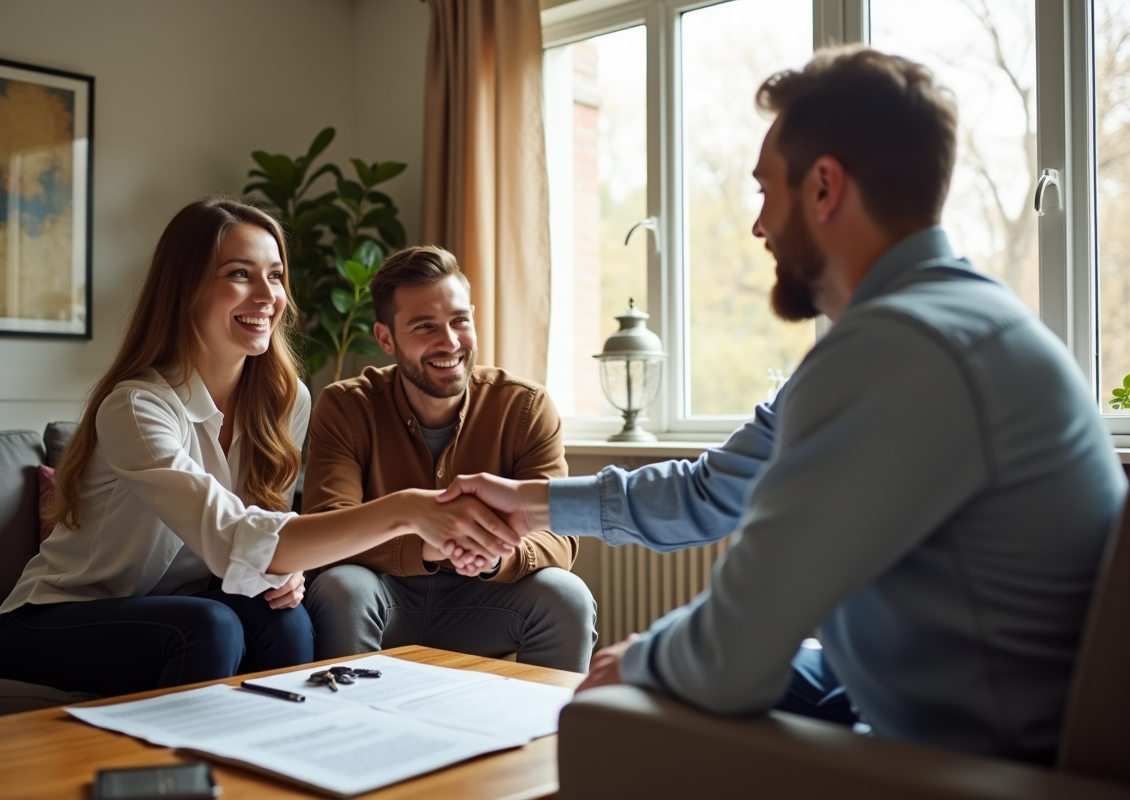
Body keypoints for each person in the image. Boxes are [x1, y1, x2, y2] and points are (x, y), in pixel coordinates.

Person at [438, 46, 1127, 763]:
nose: (759, 225)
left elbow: (731, 658)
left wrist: (643, 657)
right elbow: (713, 490)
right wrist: (531, 504)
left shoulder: (894, 348)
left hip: (978, 763)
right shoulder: (939, 322)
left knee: (619, 701)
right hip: (926, 692)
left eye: (766, 190)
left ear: (825, 186)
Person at [0, 200, 520, 697]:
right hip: (56, 617)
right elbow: (235, 537)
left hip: (187, 601)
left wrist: (287, 569)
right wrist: (407, 511)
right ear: (187, 289)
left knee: (284, 616)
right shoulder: (138, 407)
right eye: (240, 274)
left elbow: (267, 529)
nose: (268, 296)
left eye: (275, 276)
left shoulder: (286, 401)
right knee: (209, 627)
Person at [302, 245, 597, 672]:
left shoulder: (525, 407)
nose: (451, 342)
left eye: (460, 320)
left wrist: (494, 556)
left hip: (484, 601)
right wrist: (427, 545)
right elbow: (328, 525)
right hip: (383, 595)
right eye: (425, 326)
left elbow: (559, 535)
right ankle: (352, 731)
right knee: (341, 588)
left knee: (566, 596)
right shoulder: (346, 407)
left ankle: (540, 737)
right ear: (386, 338)